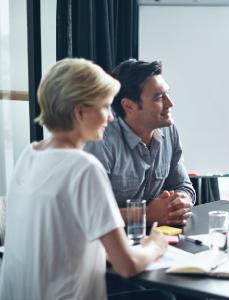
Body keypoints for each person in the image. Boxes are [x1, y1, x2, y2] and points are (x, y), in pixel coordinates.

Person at [0, 58, 170, 299]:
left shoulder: (29, 155)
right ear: (80, 112)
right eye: (105, 107)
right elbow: (128, 265)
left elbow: (58, 238)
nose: (111, 118)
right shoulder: (83, 168)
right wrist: (155, 245)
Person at [85, 59, 195, 226]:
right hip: (107, 243)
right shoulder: (100, 140)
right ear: (129, 106)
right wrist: (145, 214)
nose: (170, 103)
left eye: (167, 94)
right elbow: (90, 213)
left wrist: (181, 201)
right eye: (159, 97)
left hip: (157, 238)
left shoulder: (168, 128)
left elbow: (183, 185)